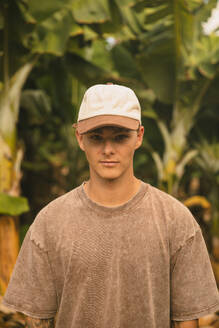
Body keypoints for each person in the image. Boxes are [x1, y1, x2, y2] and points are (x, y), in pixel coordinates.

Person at [2, 84, 219, 328]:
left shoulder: (176, 220)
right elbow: (37, 321)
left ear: (139, 136)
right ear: (79, 138)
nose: (108, 150)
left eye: (120, 137)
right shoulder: (50, 222)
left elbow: (188, 321)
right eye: (96, 137)